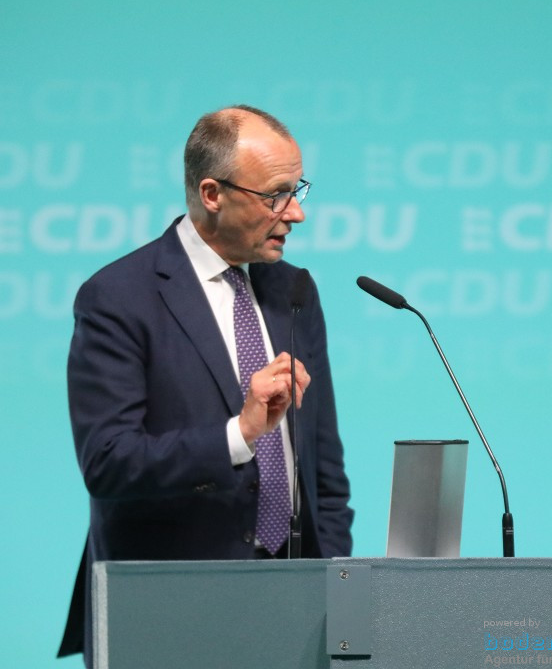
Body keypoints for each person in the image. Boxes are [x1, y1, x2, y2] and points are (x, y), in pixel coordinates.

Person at [57, 105, 353, 665]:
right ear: (212, 193)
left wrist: (333, 583)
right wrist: (239, 434)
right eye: (276, 195)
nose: (296, 214)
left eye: (299, 190)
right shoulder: (119, 297)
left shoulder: (295, 290)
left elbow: (322, 471)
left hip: (295, 609)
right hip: (167, 609)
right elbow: (108, 462)